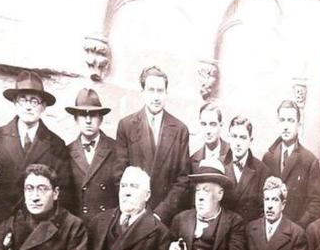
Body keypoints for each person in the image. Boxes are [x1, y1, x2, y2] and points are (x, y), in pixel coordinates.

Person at [0, 71, 76, 220]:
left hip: (39, 223)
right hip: (0, 220)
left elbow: (63, 191)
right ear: (15, 103)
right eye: (23, 100)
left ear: (43, 107)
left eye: (34, 101)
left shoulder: (56, 144)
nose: (28, 107)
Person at [115, 65, 190, 224]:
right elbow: (119, 174)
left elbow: (183, 179)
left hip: (164, 218)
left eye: (160, 91)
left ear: (166, 93)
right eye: (151, 90)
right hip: (134, 215)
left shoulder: (180, 129)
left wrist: (161, 213)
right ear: (142, 92)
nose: (156, 96)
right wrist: (135, 210)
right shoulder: (127, 126)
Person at [261, 100, 320, 228]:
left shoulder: (309, 161)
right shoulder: (268, 158)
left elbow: (316, 204)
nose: (285, 126)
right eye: (282, 120)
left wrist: (298, 228)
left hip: (296, 233)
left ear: (299, 125)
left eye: (290, 120)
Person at [64, 87, 123, 220]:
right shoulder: (66, 151)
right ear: (76, 119)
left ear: (101, 119)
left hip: (107, 225)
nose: (88, 120)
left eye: (93, 115)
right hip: (78, 227)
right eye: (83, 115)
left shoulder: (116, 149)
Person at [220, 115, 267, 223]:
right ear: (229, 138)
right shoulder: (218, 165)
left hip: (248, 234)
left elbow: (262, 212)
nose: (238, 143)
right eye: (234, 136)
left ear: (250, 140)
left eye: (243, 137)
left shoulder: (262, 171)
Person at [190, 101, 227, 167]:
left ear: (221, 125)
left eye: (212, 124)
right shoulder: (192, 161)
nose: (208, 131)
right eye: (204, 124)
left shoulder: (233, 153)